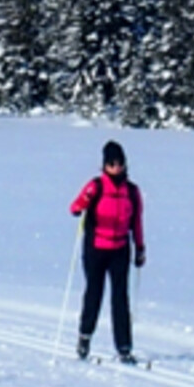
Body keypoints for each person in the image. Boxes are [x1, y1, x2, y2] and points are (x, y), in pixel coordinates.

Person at [68, 140, 145, 364]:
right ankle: (84, 338)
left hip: (120, 249)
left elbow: (137, 221)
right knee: (94, 294)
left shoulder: (132, 191)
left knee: (120, 299)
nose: (116, 167)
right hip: (96, 249)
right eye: (111, 163)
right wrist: (82, 203)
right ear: (104, 165)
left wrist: (140, 248)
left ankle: (124, 347)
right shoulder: (96, 186)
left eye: (120, 163)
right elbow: (74, 208)